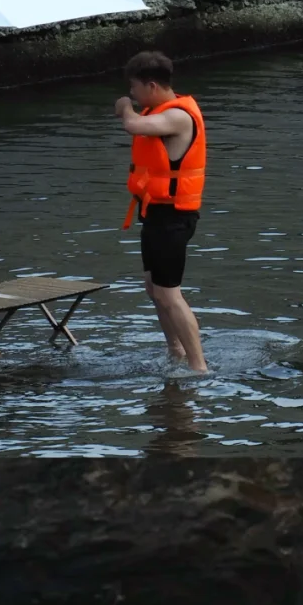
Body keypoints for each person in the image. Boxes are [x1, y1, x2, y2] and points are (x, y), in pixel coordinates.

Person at [114, 50, 209, 372]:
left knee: (170, 294)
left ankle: (199, 367)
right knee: (153, 288)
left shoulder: (178, 116)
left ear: (151, 85)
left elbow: (131, 124)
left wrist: (124, 106)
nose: (132, 95)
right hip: (154, 213)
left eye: (134, 88)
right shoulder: (160, 110)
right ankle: (176, 351)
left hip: (174, 218)